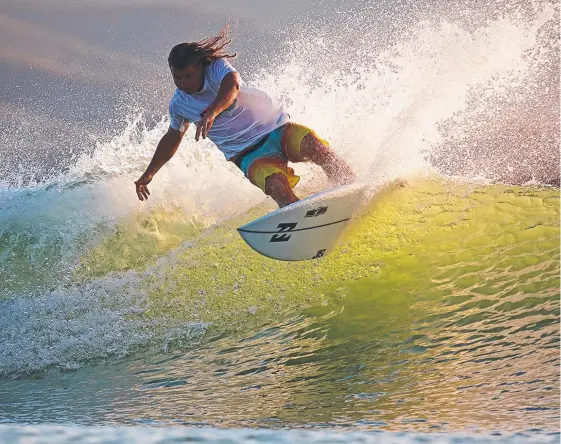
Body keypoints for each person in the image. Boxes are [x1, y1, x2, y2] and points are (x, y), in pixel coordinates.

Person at [135, 28, 355, 208]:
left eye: (188, 76)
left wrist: (213, 111)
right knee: (277, 187)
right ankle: (303, 223)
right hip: (247, 153)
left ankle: (351, 186)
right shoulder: (179, 105)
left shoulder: (216, 69)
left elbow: (233, 84)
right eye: (177, 78)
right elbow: (173, 138)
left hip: (276, 128)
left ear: (200, 66)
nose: (183, 84)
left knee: (315, 147)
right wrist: (149, 173)